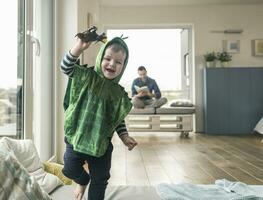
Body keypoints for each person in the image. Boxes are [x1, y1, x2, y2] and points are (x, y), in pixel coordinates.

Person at [60, 35, 137, 200]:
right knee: (69, 169)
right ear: (100, 58)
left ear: (123, 66)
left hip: (100, 144)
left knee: (100, 180)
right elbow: (66, 67)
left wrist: (124, 136)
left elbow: (116, 118)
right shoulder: (86, 76)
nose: (112, 64)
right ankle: (83, 180)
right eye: (108, 58)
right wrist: (78, 48)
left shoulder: (117, 93)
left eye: (118, 62)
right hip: (76, 138)